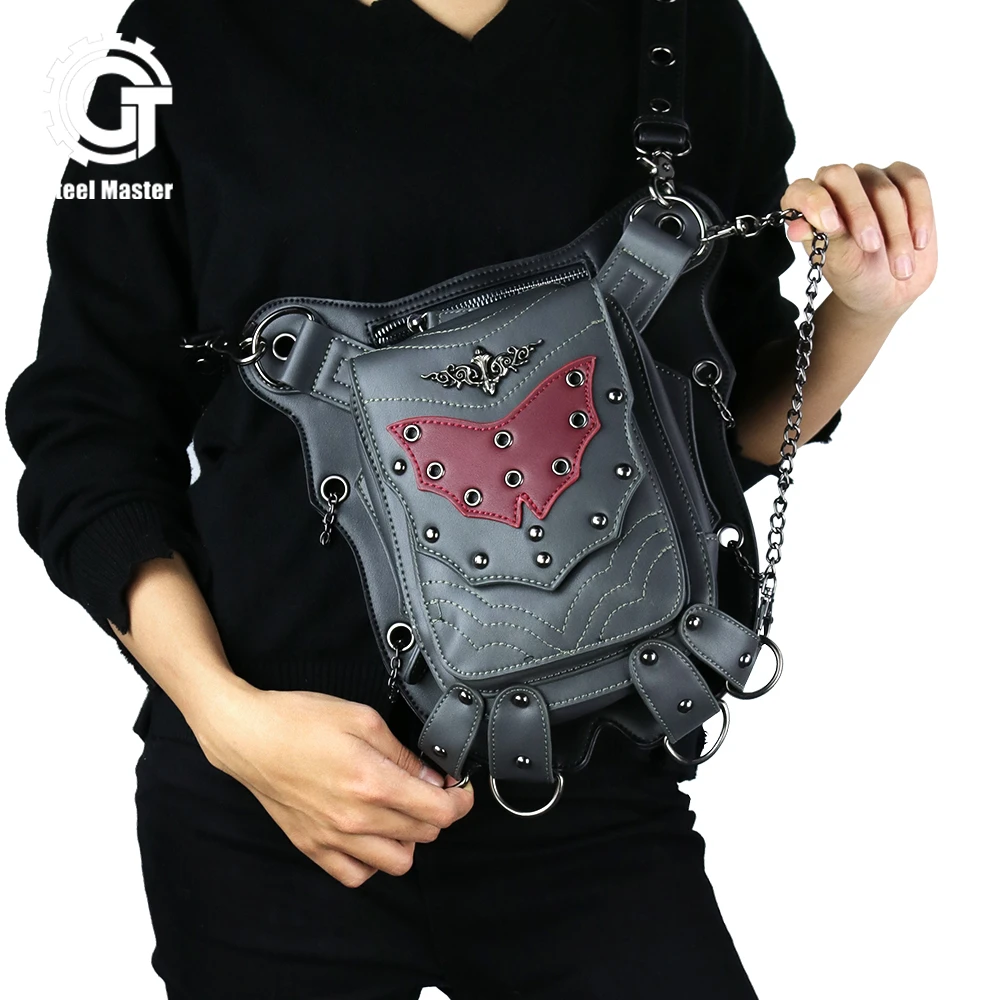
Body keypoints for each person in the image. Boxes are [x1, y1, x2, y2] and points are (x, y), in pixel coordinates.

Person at [5, 0, 937, 997]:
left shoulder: (675, 24)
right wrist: (229, 721)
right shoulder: (180, 38)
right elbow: (90, 433)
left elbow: (715, 424)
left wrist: (863, 308)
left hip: (593, 775)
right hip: (271, 793)